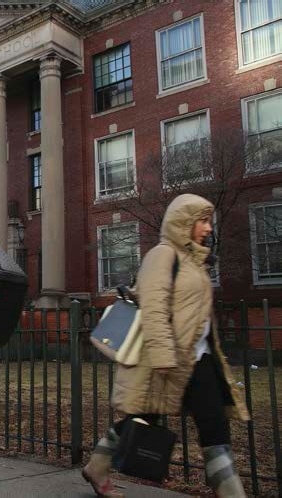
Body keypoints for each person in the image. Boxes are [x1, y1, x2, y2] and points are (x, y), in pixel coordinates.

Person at [81, 194, 249, 498]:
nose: (209, 228)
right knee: (142, 421)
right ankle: (97, 467)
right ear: (183, 223)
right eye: (202, 221)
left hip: (200, 359)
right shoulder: (162, 256)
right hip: (165, 359)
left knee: (215, 427)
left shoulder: (195, 263)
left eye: (209, 221)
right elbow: (155, 308)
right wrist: (162, 355)